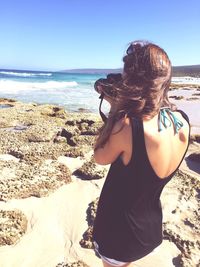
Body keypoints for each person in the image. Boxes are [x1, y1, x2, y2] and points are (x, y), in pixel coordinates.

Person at [92, 40, 190, 267]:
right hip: (149, 229)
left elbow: (99, 157)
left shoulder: (128, 127)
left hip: (119, 233)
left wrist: (116, 108)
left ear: (132, 79)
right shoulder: (182, 121)